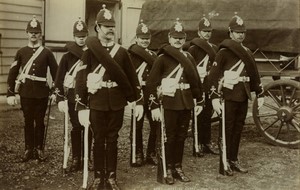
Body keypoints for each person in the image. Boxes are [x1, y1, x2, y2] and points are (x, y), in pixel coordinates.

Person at [75, 5, 143, 190]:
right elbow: (80, 79)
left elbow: (132, 77)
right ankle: (98, 177)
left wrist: (138, 101)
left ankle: (111, 177)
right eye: (106, 26)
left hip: (116, 102)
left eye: (112, 25)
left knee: (113, 138)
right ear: (97, 28)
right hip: (96, 102)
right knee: (98, 138)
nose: (111, 29)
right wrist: (81, 106)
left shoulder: (121, 52)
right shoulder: (89, 52)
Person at [146, 18, 204, 185]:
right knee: (168, 137)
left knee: (181, 137)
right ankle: (167, 168)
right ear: (169, 38)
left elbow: (196, 82)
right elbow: (151, 84)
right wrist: (154, 105)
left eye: (181, 37)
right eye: (175, 37)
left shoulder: (189, 57)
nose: (178, 40)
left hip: (185, 102)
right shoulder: (162, 58)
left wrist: (199, 101)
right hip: (169, 103)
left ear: (185, 39)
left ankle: (178, 167)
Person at [208, 13, 264, 175]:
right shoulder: (223, 52)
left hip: (243, 95)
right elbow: (213, 77)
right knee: (226, 129)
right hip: (228, 96)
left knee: (238, 129)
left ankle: (233, 159)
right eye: (237, 32)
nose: (240, 35)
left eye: (242, 32)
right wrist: (214, 98)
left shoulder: (246, 51)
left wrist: (259, 93)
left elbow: (254, 74)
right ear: (230, 32)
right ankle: (224, 162)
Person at [6, 15, 58, 162]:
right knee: (28, 120)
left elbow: (56, 73)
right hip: (26, 92)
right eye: (31, 32)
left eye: (36, 32)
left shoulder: (47, 52)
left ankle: (39, 149)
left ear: (40, 34)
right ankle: (28, 149)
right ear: (26, 33)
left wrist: (55, 91)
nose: (33, 34)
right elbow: (13, 72)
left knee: (40, 121)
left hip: (42, 92)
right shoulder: (21, 52)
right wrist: (10, 93)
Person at [54, 17, 93, 172]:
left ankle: (87, 158)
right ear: (73, 36)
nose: (81, 38)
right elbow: (59, 78)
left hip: (88, 97)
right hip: (71, 98)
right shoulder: (67, 57)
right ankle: (76, 158)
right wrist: (59, 98)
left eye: (84, 36)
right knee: (76, 126)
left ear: (87, 35)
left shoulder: (92, 53)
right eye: (78, 36)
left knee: (88, 126)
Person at [128, 20, 158, 167]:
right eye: (142, 38)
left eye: (147, 39)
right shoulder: (130, 54)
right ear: (137, 38)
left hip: (151, 92)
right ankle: (137, 152)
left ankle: (151, 152)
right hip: (138, 92)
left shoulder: (154, 55)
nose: (145, 41)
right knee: (137, 124)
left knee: (155, 123)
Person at [188, 16, 219, 157]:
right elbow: (189, 67)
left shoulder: (214, 48)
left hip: (209, 84)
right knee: (198, 114)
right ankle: (198, 142)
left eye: (209, 31)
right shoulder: (193, 48)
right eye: (204, 31)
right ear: (198, 32)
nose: (207, 33)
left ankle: (206, 142)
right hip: (198, 83)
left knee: (208, 113)